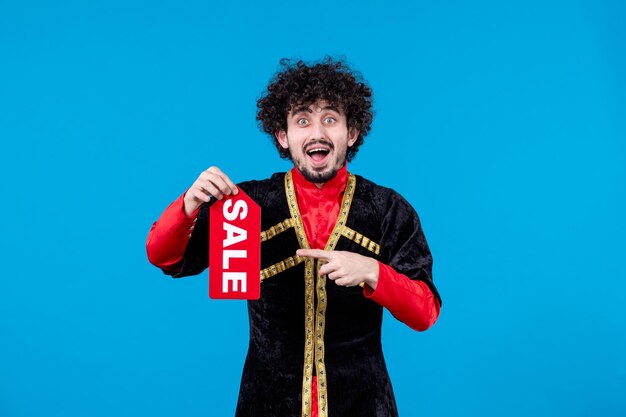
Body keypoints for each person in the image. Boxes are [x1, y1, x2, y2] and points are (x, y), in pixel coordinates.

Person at [146, 57, 442, 417]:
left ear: (351, 133)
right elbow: (166, 258)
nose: (317, 133)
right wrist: (188, 205)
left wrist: (372, 272)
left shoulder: (388, 209)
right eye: (303, 120)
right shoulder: (245, 205)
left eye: (330, 119)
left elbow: (425, 312)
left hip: (364, 405)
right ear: (283, 136)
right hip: (266, 405)